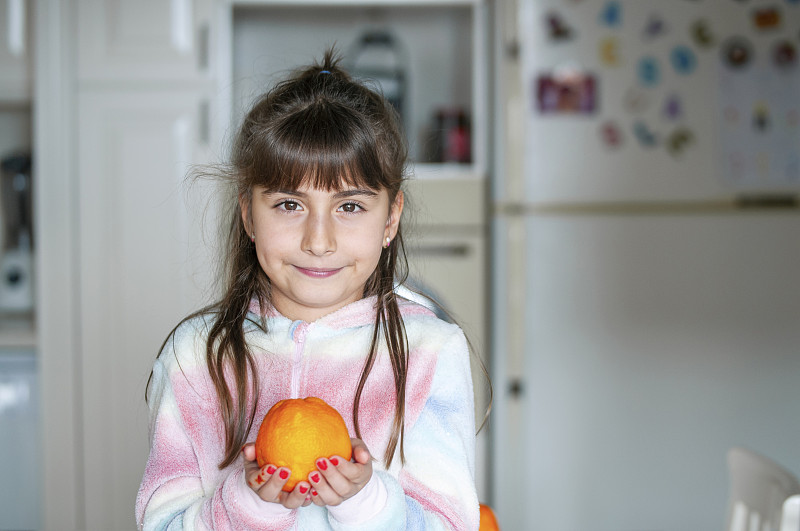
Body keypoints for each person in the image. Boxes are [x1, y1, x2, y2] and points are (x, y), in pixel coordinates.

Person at [135, 49, 480, 530]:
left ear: (392, 217)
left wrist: (365, 502)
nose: (319, 241)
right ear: (247, 213)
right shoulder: (195, 357)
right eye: (290, 204)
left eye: (351, 206)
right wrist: (249, 503)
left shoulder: (430, 353)